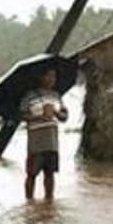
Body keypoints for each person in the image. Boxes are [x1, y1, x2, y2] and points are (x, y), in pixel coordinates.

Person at [21, 66, 68, 200]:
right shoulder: (30, 96)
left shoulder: (56, 96)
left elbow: (64, 117)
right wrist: (40, 116)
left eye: (54, 76)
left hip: (52, 142)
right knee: (31, 174)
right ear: (41, 78)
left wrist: (56, 112)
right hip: (36, 143)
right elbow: (22, 116)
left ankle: (49, 201)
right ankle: (29, 202)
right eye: (49, 76)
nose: (52, 79)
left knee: (50, 174)